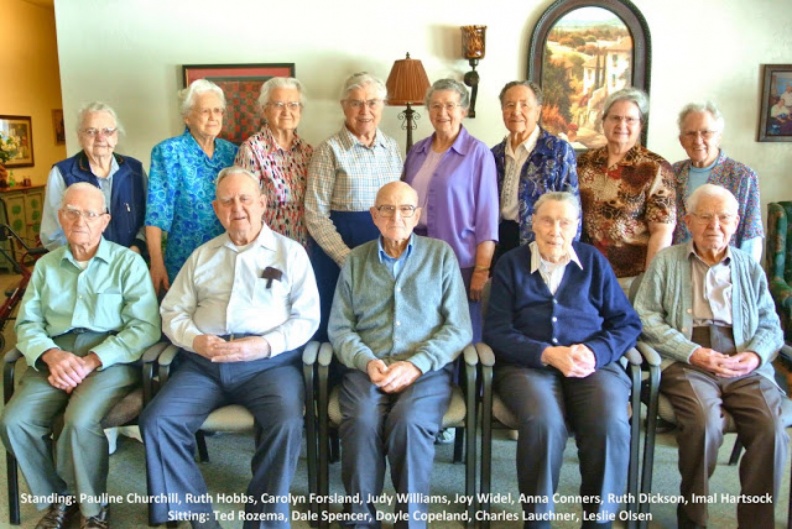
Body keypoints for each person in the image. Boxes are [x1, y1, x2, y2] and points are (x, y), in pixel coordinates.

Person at [140, 167, 319, 529]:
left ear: (263, 204)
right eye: (227, 200)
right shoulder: (201, 256)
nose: (237, 207)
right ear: (216, 208)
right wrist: (195, 340)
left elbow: (307, 319)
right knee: (157, 421)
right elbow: (172, 311)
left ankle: (264, 522)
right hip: (203, 364)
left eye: (245, 199)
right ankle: (200, 521)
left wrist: (263, 346)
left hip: (269, 366)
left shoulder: (290, 253)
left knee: (285, 421)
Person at [0, 182, 160, 529]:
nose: (80, 220)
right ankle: (61, 498)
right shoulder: (46, 266)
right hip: (55, 358)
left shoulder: (127, 263)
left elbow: (145, 328)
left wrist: (92, 360)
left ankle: (93, 510)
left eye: (90, 214)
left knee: (78, 419)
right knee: (15, 421)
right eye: (72, 211)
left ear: (105, 220)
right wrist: (51, 355)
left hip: (109, 359)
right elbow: (27, 323)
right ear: (61, 216)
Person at [483, 191, 641, 528]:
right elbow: (496, 331)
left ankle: (600, 519)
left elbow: (626, 323)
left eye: (565, 222)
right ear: (533, 224)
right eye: (547, 220)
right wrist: (545, 353)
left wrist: (595, 352)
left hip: (592, 365)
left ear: (576, 227)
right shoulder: (510, 263)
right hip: (528, 367)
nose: (555, 229)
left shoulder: (593, 262)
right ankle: (538, 519)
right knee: (543, 423)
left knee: (609, 421)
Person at [634, 184, 787, 529]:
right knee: (704, 425)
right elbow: (645, 317)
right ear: (688, 220)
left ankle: (756, 523)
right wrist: (694, 352)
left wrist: (755, 356)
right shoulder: (667, 261)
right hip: (688, 361)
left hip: (742, 360)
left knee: (772, 428)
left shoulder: (749, 267)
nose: (714, 225)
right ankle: (693, 520)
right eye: (705, 216)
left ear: (736, 223)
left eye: (724, 218)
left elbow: (770, 324)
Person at [328, 181, 472, 525]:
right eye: (387, 209)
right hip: (367, 368)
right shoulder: (356, 260)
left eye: (406, 208)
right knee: (361, 420)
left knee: (409, 422)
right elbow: (340, 328)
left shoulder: (440, 255)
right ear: (373, 215)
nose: (397, 216)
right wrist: (366, 360)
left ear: (417, 215)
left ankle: (411, 519)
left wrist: (416, 364)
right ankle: (360, 517)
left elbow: (458, 328)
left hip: (425, 371)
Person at [304, 72, 402, 341]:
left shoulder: (392, 148)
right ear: (344, 106)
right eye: (356, 103)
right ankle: (330, 379)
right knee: (339, 323)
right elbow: (315, 214)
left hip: (382, 252)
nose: (365, 111)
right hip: (340, 250)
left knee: (378, 321)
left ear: (382, 106)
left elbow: (399, 207)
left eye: (373, 102)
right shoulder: (329, 151)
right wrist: (346, 258)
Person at [403, 78, 498, 342]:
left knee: (461, 332)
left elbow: (487, 218)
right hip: (417, 258)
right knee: (422, 328)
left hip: (460, 261)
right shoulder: (417, 151)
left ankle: (464, 383)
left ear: (464, 110)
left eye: (450, 106)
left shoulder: (478, 154)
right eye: (435, 106)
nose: (442, 113)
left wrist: (481, 269)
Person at [577, 87, 676, 293]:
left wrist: (650, 282)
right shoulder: (584, 162)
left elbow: (662, 231)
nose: (621, 125)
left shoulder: (655, 168)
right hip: (586, 273)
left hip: (631, 280)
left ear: (641, 125)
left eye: (630, 119)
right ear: (603, 121)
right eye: (615, 118)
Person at [145, 79, 238, 295]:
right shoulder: (168, 152)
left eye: (218, 111)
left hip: (227, 257)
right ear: (187, 117)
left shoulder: (232, 153)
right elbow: (156, 213)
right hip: (184, 257)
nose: (214, 117)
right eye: (205, 111)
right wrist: (156, 263)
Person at [40, 102, 147, 253]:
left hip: (131, 263)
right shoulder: (62, 173)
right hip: (82, 269)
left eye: (108, 131)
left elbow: (148, 219)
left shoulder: (135, 170)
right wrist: (89, 260)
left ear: (116, 136)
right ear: (80, 137)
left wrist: (134, 251)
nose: (100, 138)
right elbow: (53, 234)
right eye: (91, 131)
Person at [491, 80, 579, 258]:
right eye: (510, 105)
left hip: (540, 241)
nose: (516, 111)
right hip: (500, 240)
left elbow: (572, 205)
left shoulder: (557, 150)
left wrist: (566, 254)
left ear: (538, 111)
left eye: (524, 105)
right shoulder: (494, 154)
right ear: (502, 111)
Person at [672, 102, 763, 262]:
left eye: (705, 133)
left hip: (725, 269)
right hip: (679, 266)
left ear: (718, 137)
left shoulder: (742, 176)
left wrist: (743, 275)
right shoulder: (673, 173)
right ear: (681, 140)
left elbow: (751, 236)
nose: (698, 140)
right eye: (691, 134)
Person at [235, 77, 313, 247]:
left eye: (293, 105)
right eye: (278, 105)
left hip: (305, 246)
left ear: (300, 110)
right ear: (265, 110)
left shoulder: (308, 151)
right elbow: (243, 206)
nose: (287, 111)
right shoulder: (251, 150)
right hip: (267, 245)